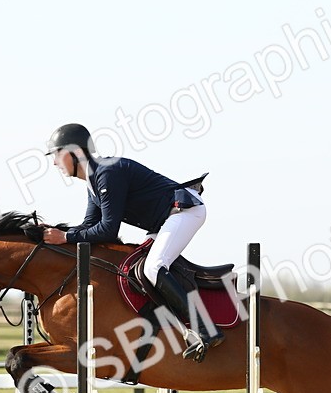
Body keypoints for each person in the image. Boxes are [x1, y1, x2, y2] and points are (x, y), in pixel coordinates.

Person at [41, 123, 224, 362]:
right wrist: (55, 234)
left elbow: (107, 230)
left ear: (74, 153)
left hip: (184, 212)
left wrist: (64, 237)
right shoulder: (94, 181)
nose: (54, 162)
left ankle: (205, 329)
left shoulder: (107, 173)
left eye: (56, 155)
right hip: (165, 220)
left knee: (154, 267)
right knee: (137, 267)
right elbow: (88, 225)